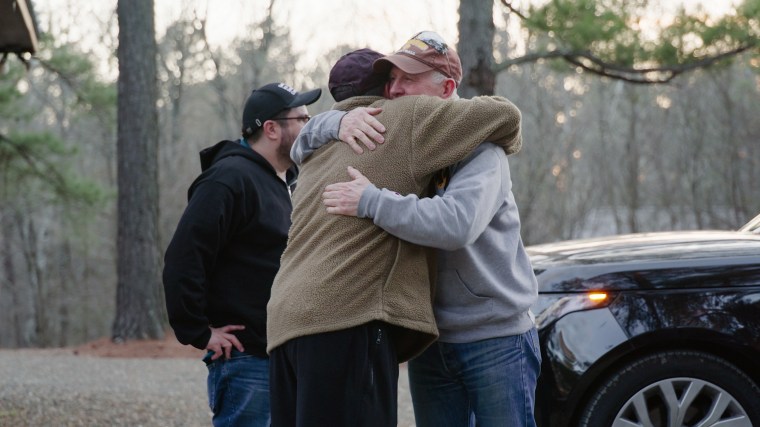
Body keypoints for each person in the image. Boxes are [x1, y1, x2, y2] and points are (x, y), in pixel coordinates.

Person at [266, 33, 524, 427]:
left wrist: (371, 200)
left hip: (492, 335)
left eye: (409, 78)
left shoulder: (481, 152)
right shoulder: (385, 132)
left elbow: (456, 224)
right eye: (391, 79)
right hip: (432, 336)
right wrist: (336, 121)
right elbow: (301, 147)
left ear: (447, 88)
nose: (395, 89)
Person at [162, 82, 321, 427]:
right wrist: (199, 332)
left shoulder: (283, 182)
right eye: (303, 119)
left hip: (279, 354)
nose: (311, 126)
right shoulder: (229, 179)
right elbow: (183, 258)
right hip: (246, 359)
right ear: (272, 129)